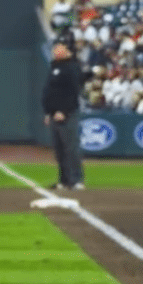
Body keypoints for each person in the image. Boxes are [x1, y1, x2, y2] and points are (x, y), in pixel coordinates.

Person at [42, 41, 86, 190]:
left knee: (70, 147)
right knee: (59, 149)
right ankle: (64, 180)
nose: (56, 50)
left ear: (67, 51)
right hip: (54, 114)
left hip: (67, 114)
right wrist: (49, 112)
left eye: (59, 48)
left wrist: (64, 111)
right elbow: (50, 92)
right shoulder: (54, 66)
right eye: (55, 48)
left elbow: (73, 92)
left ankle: (76, 180)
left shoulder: (72, 67)